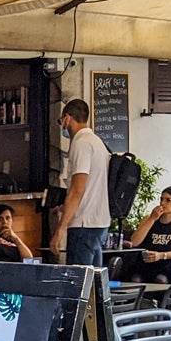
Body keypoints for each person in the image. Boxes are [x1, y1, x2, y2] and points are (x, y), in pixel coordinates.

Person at [53, 99, 111, 269]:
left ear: (67, 118)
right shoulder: (97, 142)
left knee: (78, 283)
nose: (62, 127)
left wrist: (60, 228)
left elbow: (77, 189)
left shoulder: (81, 144)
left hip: (83, 224)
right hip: (99, 223)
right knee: (93, 283)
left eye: (61, 121)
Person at [118, 186, 171, 285]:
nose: (162, 203)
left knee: (160, 280)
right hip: (144, 264)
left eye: (168, 200)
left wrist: (161, 255)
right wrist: (152, 219)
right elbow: (134, 242)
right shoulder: (149, 218)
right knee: (135, 280)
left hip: (165, 265)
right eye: (161, 199)